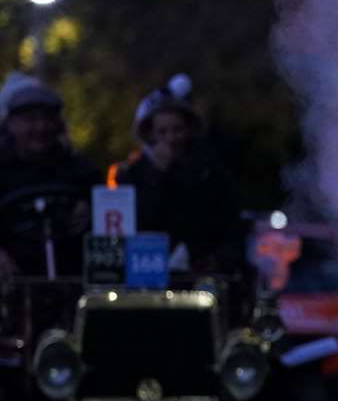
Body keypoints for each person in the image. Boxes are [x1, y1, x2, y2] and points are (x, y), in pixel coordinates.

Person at [116, 75, 242, 273]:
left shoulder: (209, 171)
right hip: (148, 273)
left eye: (178, 130)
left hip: (199, 273)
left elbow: (228, 225)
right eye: (162, 132)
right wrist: (158, 176)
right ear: (151, 135)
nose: (171, 139)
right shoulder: (132, 175)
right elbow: (138, 224)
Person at [0, 78, 96, 278]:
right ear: (10, 124)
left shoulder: (82, 170)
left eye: (48, 118)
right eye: (30, 119)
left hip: (73, 282)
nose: (41, 127)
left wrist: (90, 212)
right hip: (14, 288)